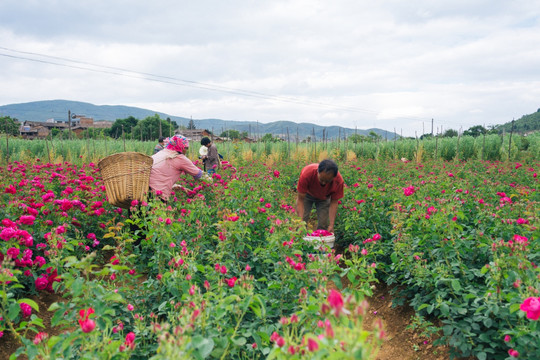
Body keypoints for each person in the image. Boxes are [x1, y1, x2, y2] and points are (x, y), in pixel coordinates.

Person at [149, 135, 210, 201]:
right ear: (181, 147)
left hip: (146, 190)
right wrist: (211, 182)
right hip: (159, 194)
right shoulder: (179, 157)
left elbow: (160, 176)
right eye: (185, 148)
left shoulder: (162, 152)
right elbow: (199, 174)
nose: (186, 151)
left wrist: (180, 187)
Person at [295, 159, 344, 233]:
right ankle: (298, 240)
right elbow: (300, 200)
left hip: (324, 198)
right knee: (302, 221)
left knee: (323, 224)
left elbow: (334, 203)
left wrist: (331, 225)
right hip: (307, 195)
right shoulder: (307, 174)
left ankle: (321, 243)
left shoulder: (339, 181)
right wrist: (300, 222)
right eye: (321, 180)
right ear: (317, 171)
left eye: (327, 181)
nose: (324, 183)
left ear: (334, 177)